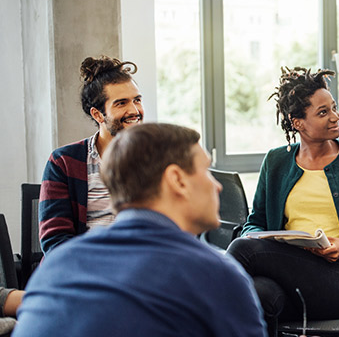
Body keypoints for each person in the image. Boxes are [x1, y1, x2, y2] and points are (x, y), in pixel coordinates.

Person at [14, 123, 266, 337]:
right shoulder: (217, 276)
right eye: (206, 171)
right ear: (177, 180)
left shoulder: (56, 267)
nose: (217, 186)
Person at [226, 67, 339, 336]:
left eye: (334, 108)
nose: (335, 117)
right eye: (323, 112)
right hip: (290, 283)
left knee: (241, 251)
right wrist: (267, 239)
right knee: (258, 293)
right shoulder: (276, 161)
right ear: (297, 122)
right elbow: (254, 224)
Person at [39, 56, 144, 254]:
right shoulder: (63, 162)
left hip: (139, 270)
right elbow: (55, 241)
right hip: (83, 272)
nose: (134, 110)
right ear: (97, 115)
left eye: (137, 100)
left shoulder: (156, 158)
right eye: (121, 103)